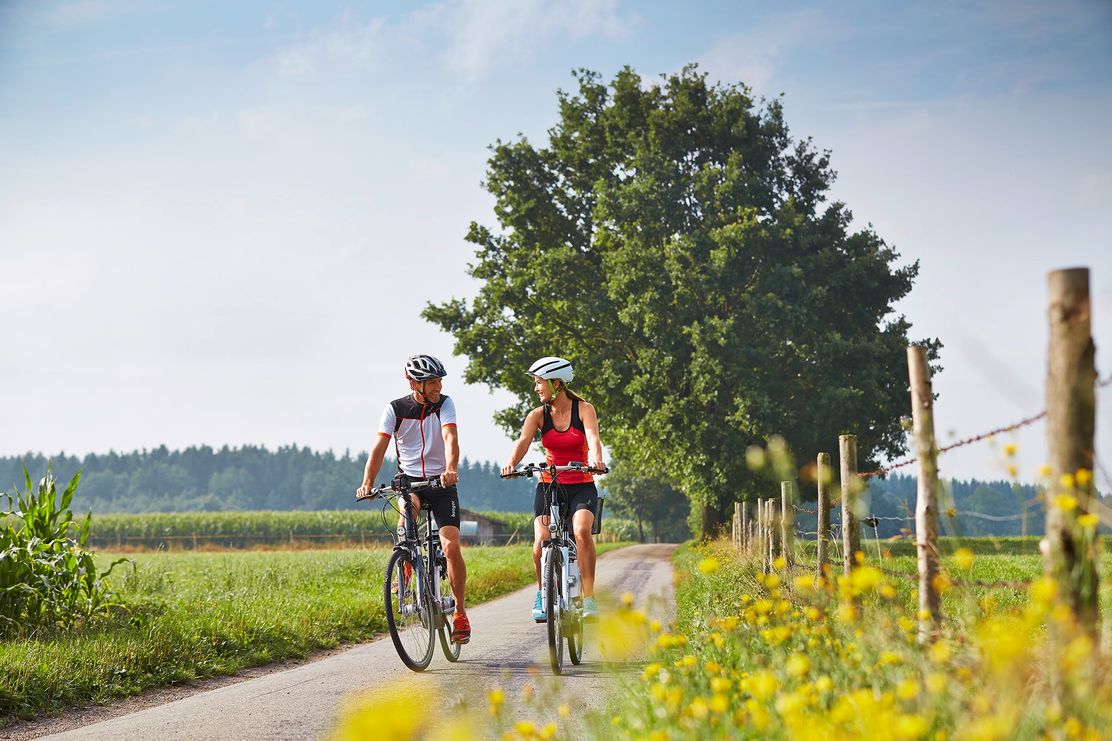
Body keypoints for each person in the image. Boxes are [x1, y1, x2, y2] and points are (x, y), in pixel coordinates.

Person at [357, 354, 470, 644]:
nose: (438, 386)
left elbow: (450, 439)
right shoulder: (395, 409)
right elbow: (379, 448)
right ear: (414, 383)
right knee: (406, 522)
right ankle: (406, 564)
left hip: (441, 482)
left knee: (450, 544)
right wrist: (367, 483)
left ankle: (460, 613)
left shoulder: (445, 404)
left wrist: (451, 469)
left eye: (440, 381)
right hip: (410, 483)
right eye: (432, 382)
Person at [501, 356, 606, 621]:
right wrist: (511, 464)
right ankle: (542, 594)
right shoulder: (537, 415)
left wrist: (596, 460)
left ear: (555, 382)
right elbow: (524, 441)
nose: (536, 388)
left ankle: (589, 598)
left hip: (581, 485)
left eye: (539, 383)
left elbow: (593, 437)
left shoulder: (584, 409)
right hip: (549, 486)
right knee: (541, 542)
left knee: (581, 532)